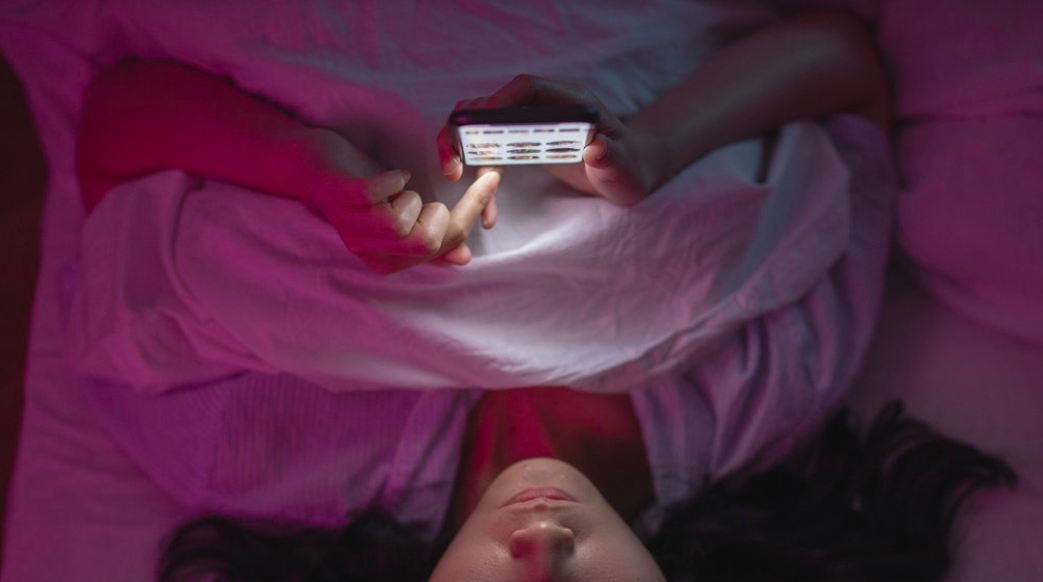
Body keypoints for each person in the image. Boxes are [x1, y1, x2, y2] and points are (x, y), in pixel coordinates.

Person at [73, 9, 1013, 582]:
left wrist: (302, 172)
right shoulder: (770, 396)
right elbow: (842, 66)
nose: (541, 559)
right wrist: (648, 149)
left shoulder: (239, 456)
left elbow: (111, 125)